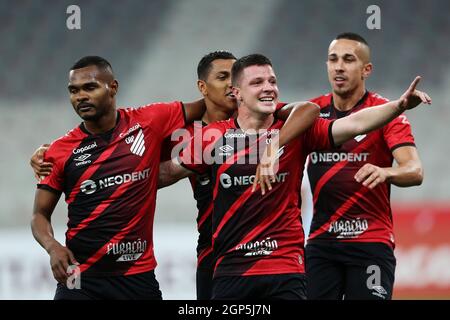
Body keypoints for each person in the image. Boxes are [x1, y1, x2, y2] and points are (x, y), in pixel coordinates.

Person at [255, 33, 432, 300]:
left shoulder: (386, 111)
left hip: (371, 242)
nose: (339, 66)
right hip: (321, 243)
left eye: (348, 60)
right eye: (333, 59)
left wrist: (386, 172)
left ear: (366, 69)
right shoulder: (310, 112)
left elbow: (414, 171)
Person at [30, 55, 207, 300]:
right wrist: (53, 247)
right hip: (80, 278)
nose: (80, 96)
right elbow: (39, 214)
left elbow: (209, 105)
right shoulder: (59, 152)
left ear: (113, 87)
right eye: (73, 90)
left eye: (89, 87)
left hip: (137, 278)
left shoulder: (150, 120)